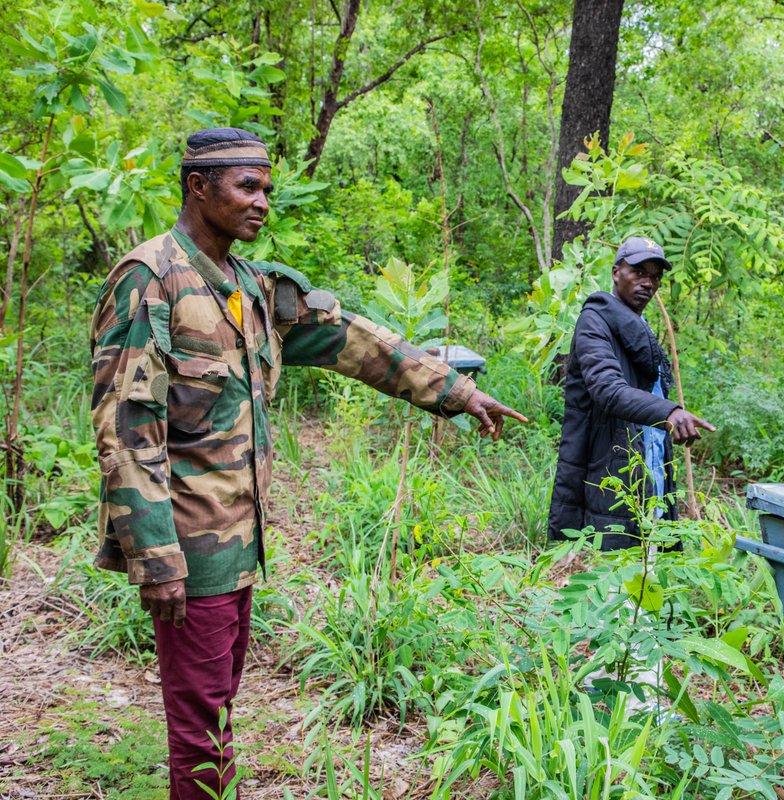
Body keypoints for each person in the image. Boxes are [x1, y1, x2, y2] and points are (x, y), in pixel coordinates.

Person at [89, 127, 526, 799]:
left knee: (218, 709)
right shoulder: (152, 279)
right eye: (247, 186)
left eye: (267, 188)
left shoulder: (252, 286)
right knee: (201, 725)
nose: (263, 201)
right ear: (197, 187)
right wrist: (155, 560)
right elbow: (127, 429)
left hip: (241, 542)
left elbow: (353, 341)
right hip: (187, 545)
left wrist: (459, 391)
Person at [547, 236, 714, 550]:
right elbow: (608, 390)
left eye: (655, 277)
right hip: (612, 475)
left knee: (650, 583)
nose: (648, 283)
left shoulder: (641, 328)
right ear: (615, 272)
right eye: (639, 272)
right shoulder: (594, 323)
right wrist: (668, 411)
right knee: (617, 585)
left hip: (651, 475)